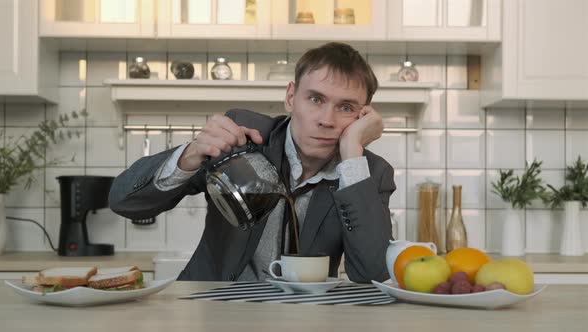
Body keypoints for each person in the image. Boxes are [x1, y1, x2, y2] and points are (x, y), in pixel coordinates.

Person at [109, 42, 396, 283]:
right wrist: (191, 155)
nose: (326, 120)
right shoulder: (242, 140)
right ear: (291, 97)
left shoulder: (368, 173)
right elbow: (124, 202)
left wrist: (352, 154)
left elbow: (373, 274)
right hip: (213, 311)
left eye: (346, 107)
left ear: (363, 116)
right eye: (315, 99)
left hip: (306, 320)